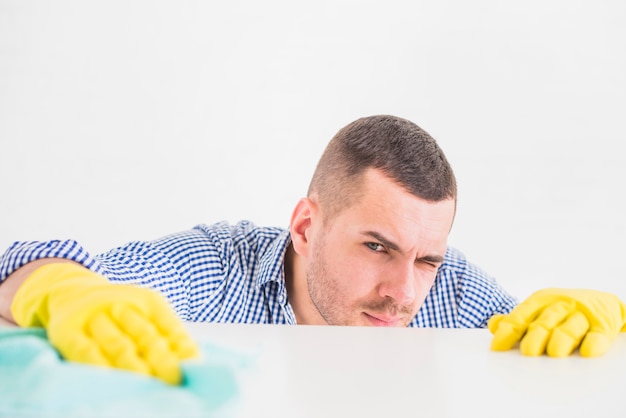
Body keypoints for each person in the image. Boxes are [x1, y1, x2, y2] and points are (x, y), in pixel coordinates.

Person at [0, 115, 624, 385]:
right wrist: (60, 289)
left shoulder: (450, 289)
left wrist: (603, 327)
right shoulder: (219, 270)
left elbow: (541, 344)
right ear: (304, 226)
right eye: (377, 246)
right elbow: (29, 266)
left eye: (426, 258)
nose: (404, 292)